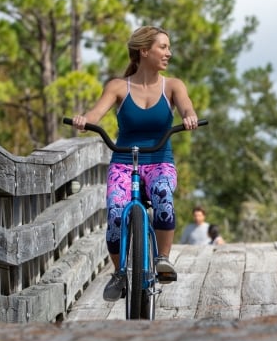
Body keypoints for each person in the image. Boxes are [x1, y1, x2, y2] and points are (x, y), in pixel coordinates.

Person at [70, 26, 200, 302]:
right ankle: (119, 273)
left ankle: (163, 259)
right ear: (144, 51)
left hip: (159, 161)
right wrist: (85, 120)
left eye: (168, 47)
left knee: (163, 196)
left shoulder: (173, 86)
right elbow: (96, 112)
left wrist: (189, 116)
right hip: (123, 162)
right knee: (116, 212)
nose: (169, 53)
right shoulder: (118, 86)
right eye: (163, 47)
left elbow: (186, 106)